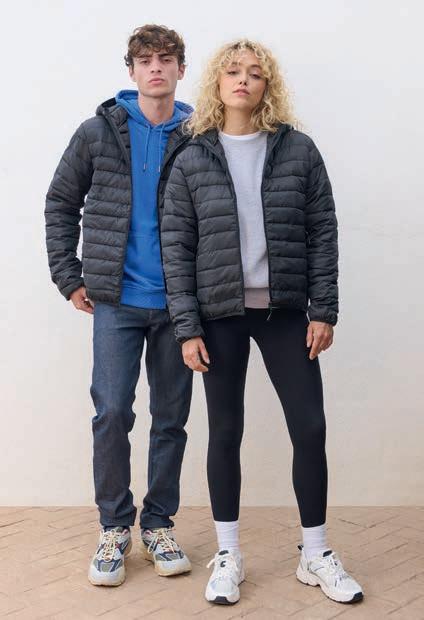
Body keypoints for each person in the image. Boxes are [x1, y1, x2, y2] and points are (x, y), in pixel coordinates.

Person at [161, 39, 364, 605]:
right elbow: (176, 246)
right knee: (225, 431)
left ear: (267, 85)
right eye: (233, 71)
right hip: (218, 314)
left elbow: (323, 231)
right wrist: (187, 326)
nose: (243, 80)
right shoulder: (193, 156)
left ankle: (315, 552)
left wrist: (323, 309)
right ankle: (229, 553)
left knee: (310, 427)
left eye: (254, 73)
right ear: (217, 83)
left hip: (286, 312)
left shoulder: (298, 150)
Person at [45, 24, 193, 587]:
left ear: (181, 69)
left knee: (171, 419)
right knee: (112, 412)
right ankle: (114, 527)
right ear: (131, 71)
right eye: (145, 59)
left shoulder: (200, 135)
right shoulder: (97, 132)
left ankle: (158, 524)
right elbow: (61, 203)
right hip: (115, 300)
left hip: (179, 304)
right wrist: (69, 277)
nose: (156, 67)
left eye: (166, 58)